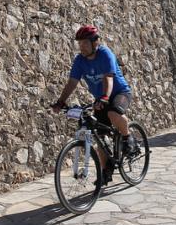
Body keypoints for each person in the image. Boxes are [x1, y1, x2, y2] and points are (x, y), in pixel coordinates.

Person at [51, 25, 135, 184]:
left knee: (113, 112)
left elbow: (108, 78)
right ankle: (106, 171)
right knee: (100, 137)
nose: (81, 47)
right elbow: (72, 83)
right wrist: (61, 102)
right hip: (100, 100)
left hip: (119, 93)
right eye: (79, 44)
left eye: (84, 43)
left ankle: (128, 138)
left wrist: (104, 96)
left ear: (94, 43)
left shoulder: (105, 54)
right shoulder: (79, 61)